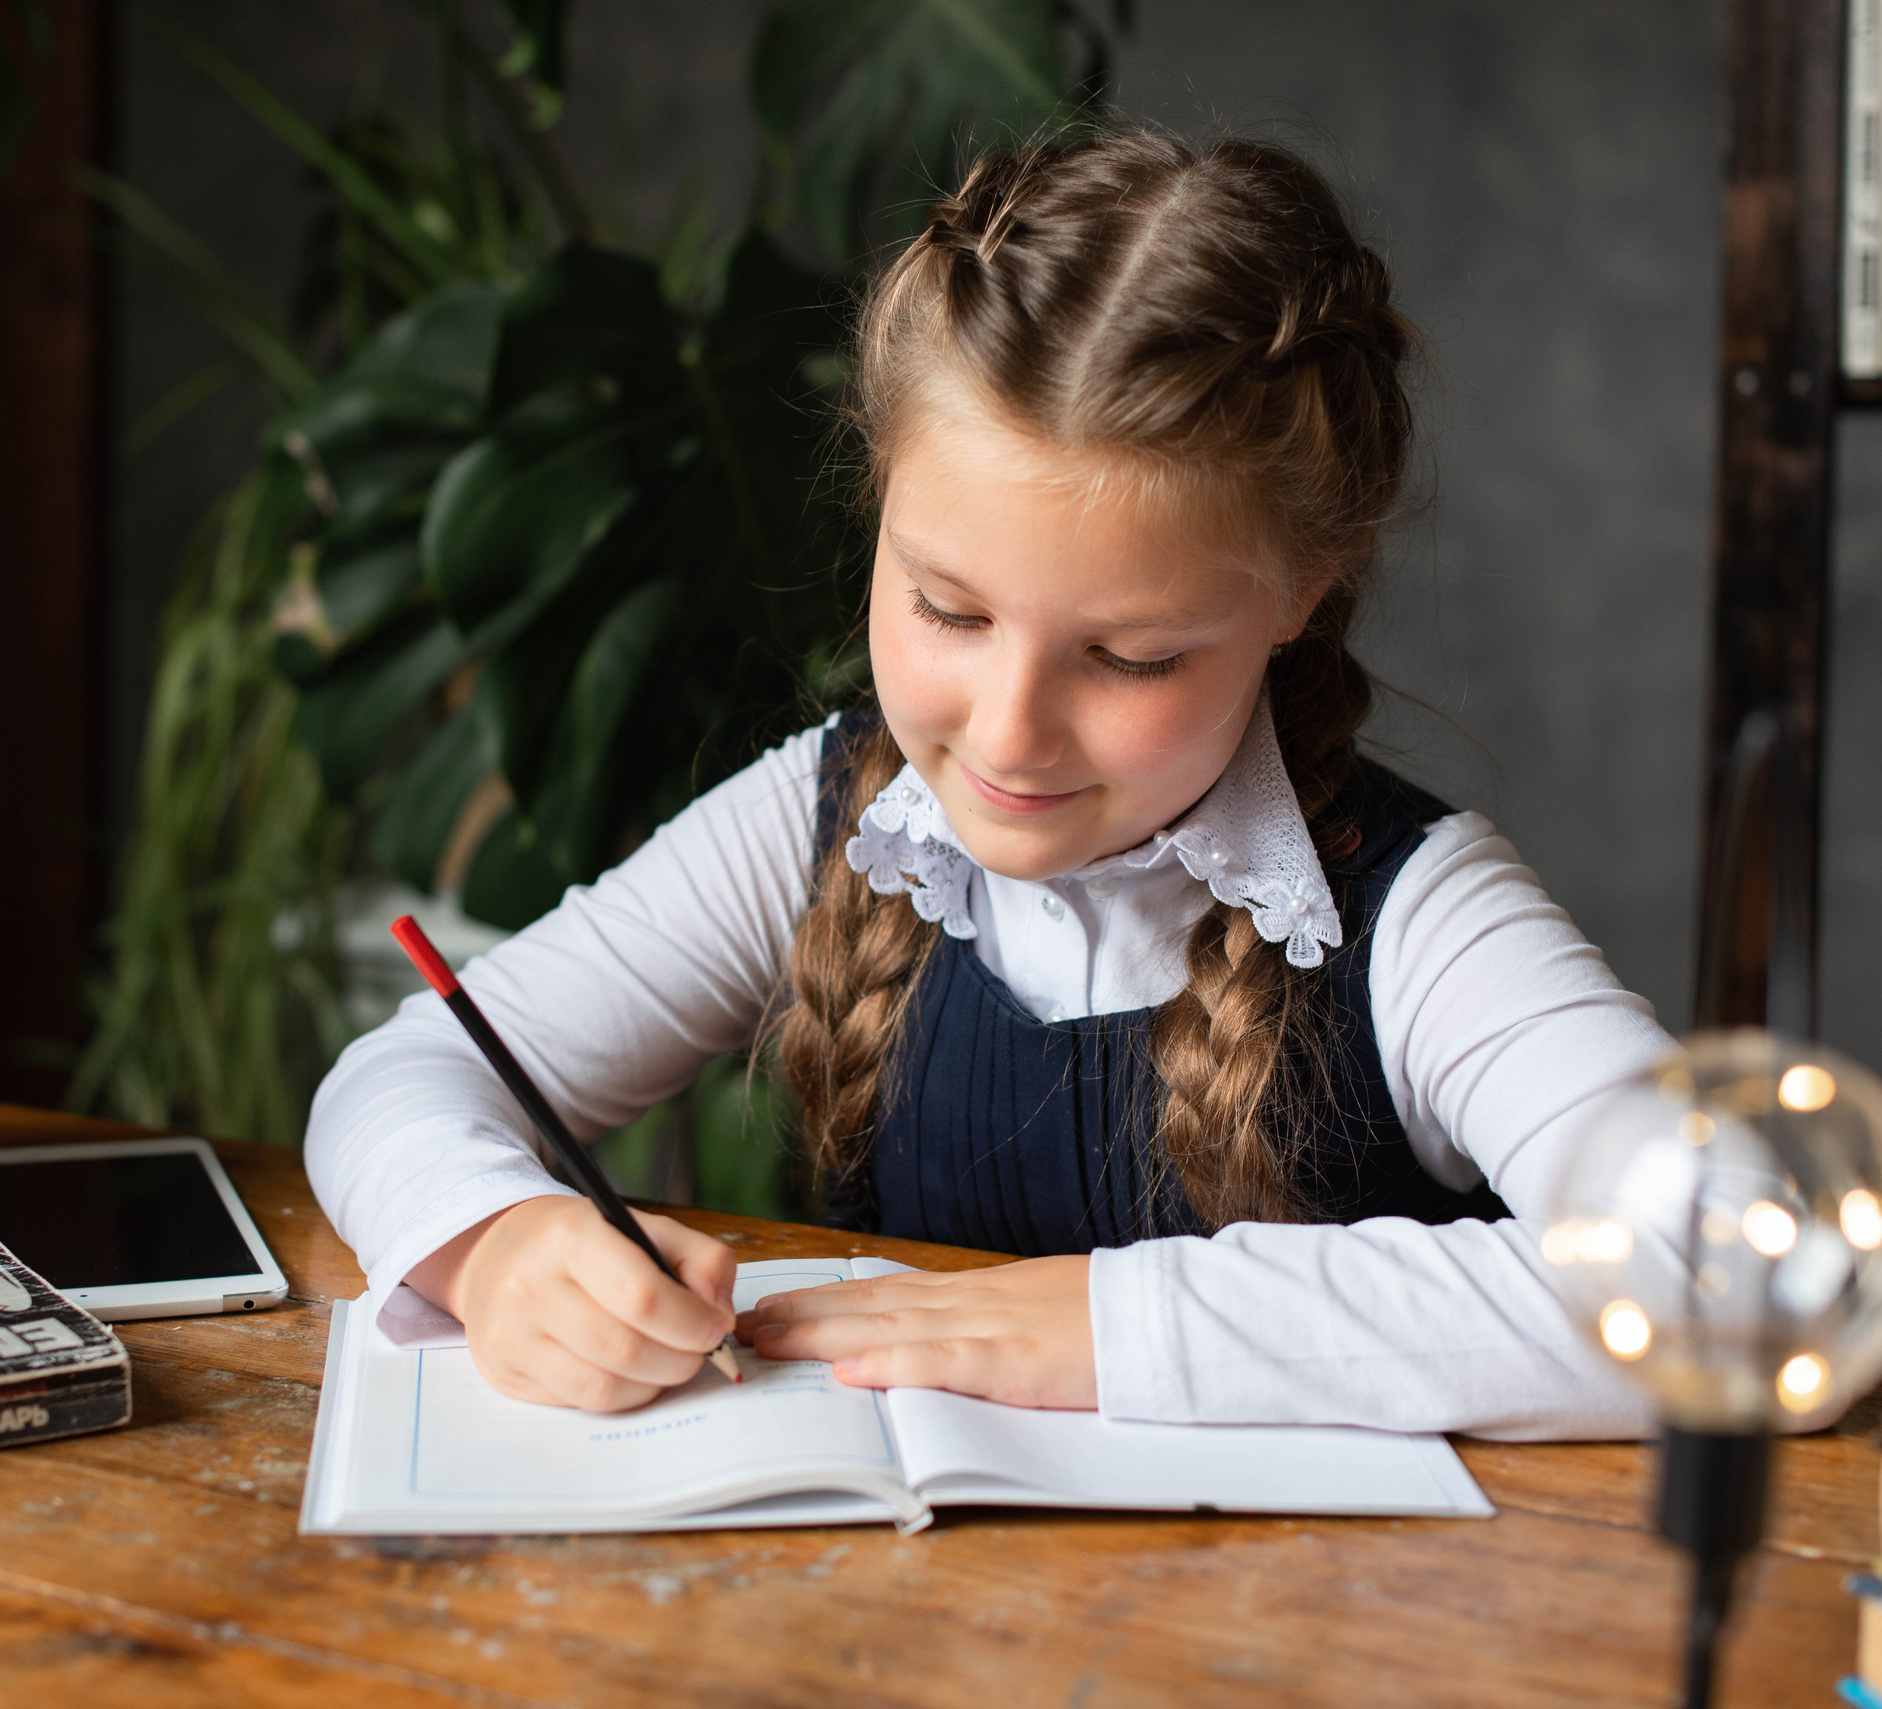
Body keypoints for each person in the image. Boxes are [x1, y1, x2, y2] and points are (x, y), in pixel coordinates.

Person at [306, 127, 1664, 1439]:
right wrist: (492, 1247)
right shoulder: (830, 815)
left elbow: (1712, 1272)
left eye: (1128, 657)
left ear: (1301, 589)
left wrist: (1112, 1327)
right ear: (881, 501)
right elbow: (398, 1081)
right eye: (948, 611)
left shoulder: (1417, 916)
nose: (1010, 736)